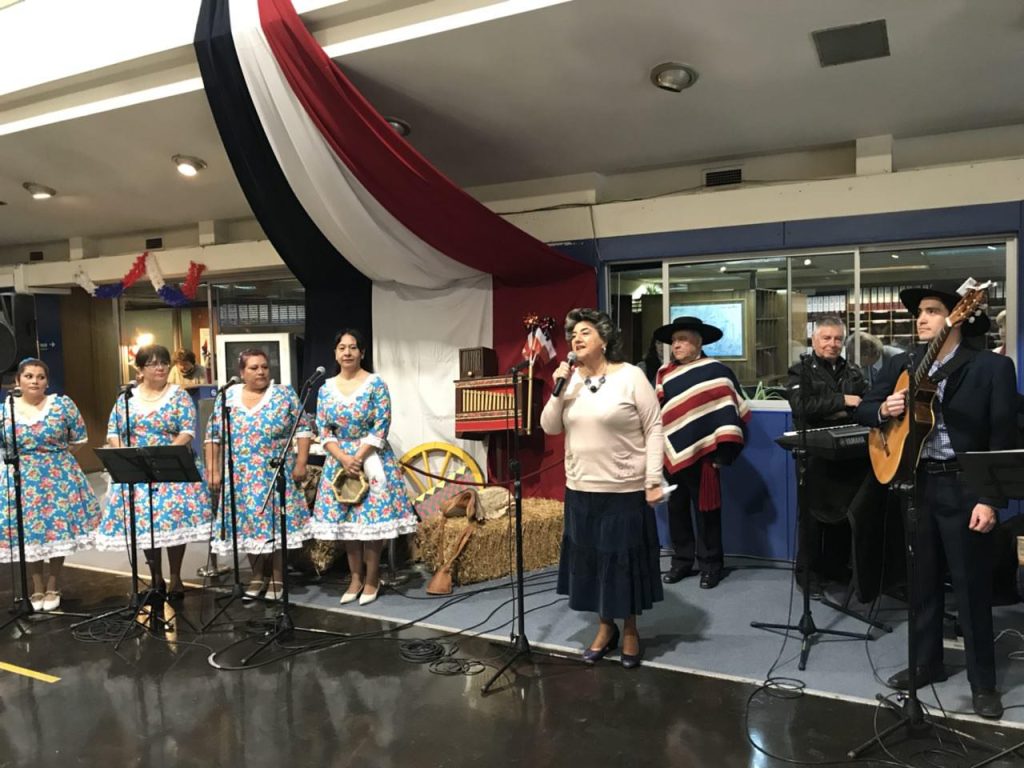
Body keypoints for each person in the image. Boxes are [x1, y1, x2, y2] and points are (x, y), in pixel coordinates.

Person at [855, 286, 1014, 719]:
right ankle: (927, 663)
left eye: (932, 311)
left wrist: (990, 499)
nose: (921, 319)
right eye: (919, 313)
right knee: (921, 582)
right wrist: (883, 409)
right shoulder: (902, 362)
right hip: (918, 483)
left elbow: (1002, 436)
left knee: (971, 586)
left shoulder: (992, 368)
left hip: (965, 487)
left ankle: (983, 682)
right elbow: (864, 409)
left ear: (956, 317)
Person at [541, 308, 664, 668]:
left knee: (623, 561)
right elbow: (549, 427)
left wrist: (653, 478)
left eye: (585, 333)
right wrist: (558, 388)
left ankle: (629, 629)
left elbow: (654, 427)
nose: (576, 339)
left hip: (624, 489)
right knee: (593, 561)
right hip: (581, 487)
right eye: (573, 335)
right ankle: (604, 626)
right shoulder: (570, 380)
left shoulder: (630, 377)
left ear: (605, 340)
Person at [94, 344, 211, 601]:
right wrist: (124, 454)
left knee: (173, 524)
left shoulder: (178, 395)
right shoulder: (127, 398)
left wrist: (165, 453)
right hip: (138, 469)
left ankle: (176, 577)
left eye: (164, 363)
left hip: (171, 466)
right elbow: (113, 431)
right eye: (153, 364)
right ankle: (156, 577)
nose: (160, 368)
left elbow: (187, 430)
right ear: (140, 369)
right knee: (146, 525)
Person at [311, 329, 417, 607]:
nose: (347, 353)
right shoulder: (325, 388)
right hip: (339, 461)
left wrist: (357, 457)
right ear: (335, 353)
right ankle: (355, 577)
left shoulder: (375, 384)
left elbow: (381, 424)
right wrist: (342, 458)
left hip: (370, 458)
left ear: (362, 353)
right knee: (348, 526)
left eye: (353, 348)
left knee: (371, 524)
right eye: (342, 348)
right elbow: (323, 428)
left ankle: (372, 577)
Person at [205, 349, 311, 599]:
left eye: (264, 366)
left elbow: (303, 429)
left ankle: (277, 577)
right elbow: (213, 436)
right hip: (240, 477)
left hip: (274, 473)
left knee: (275, 527)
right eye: (254, 367)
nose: (261, 371)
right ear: (242, 372)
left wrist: (301, 463)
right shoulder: (227, 397)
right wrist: (213, 469)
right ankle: (256, 575)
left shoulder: (284, 395)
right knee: (248, 528)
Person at [654, 317, 749, 590]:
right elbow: (659, 414)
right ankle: (682, 562)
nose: (676, 345)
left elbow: (731, 413)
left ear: (698, 342)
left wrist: (724, 454)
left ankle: (710, 566)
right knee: (676, 511)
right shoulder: (664, 374)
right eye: (673, 341)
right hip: (672, 455)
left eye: (682, 339)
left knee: (707, 512)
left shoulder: (716, 372)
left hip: (706, 456)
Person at [0, 359, 99, 611]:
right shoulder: (6, 410)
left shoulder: (61, 405)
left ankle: (53, 584)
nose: (35, 381)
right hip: (22, 478)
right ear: (17, 381)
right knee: (30, 533)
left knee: (57, 531)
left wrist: (57, 459)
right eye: (29, 376)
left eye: (41, 377)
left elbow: (78, 438)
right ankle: (36, 587)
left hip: (58, 476)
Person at [788, 317, 869, 596]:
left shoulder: (854, 372)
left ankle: (835, 570)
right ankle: (807, 577)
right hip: (814, 456)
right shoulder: (801, 371)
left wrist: (837, 409)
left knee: (841, 517)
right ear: (814, 340)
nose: (832, 344)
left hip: (848, 456)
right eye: (826, 338)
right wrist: (842, 402)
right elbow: (802, 407)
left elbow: (865, 405)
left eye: (837, 339)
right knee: (811, 521)